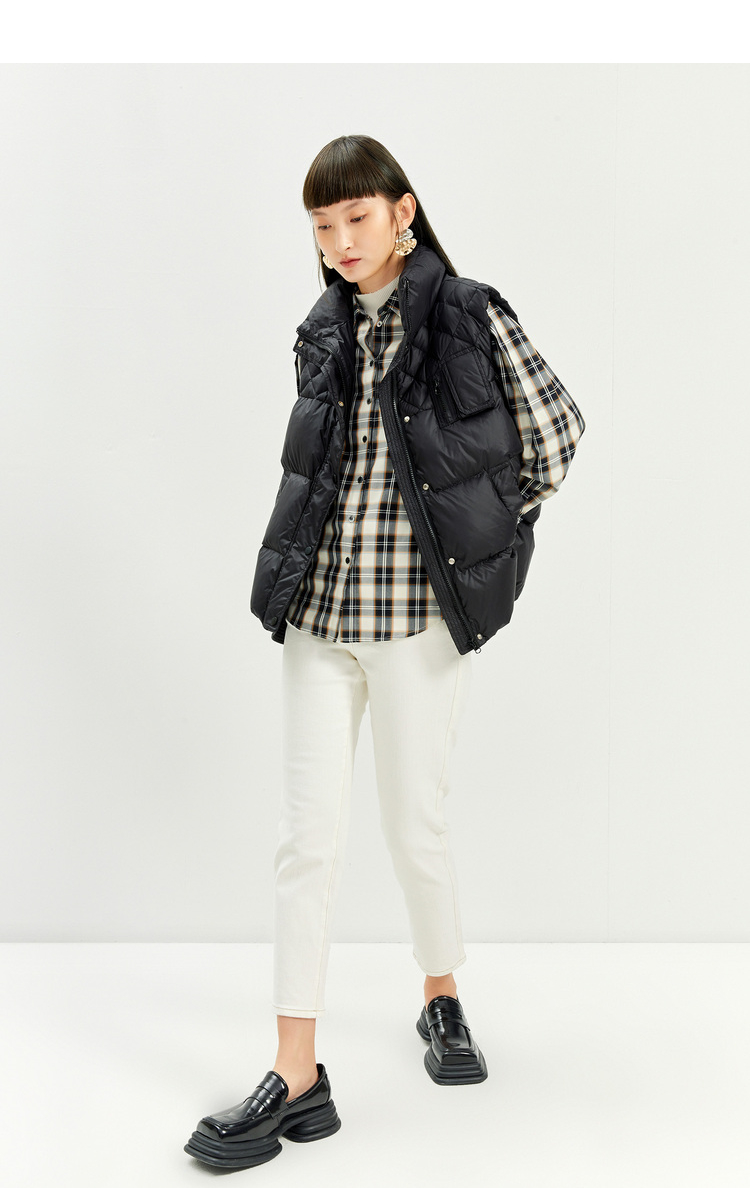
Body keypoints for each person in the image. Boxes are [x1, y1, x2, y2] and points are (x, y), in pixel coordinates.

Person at [184, 134, 585, 1170]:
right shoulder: (320, 331)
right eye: (322, 226)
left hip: (416, 620)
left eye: (356, 217)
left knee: (415, 827)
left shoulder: (468, 313)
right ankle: (296, 1072)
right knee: (305, 843)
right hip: (322, 616)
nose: (340, 241)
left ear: (403, 211)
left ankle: (441, 997)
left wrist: (485, 538)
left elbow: (556, 435)